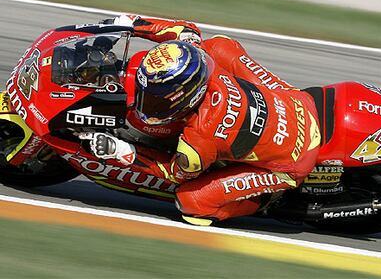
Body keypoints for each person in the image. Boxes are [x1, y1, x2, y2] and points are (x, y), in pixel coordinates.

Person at [83, 14, 321, 225]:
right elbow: (185, 31)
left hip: (293, 159)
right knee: (220, 45)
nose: (148, 104)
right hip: (297, 102)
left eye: (157, 99)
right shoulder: (201, 57)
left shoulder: (198, 140)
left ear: (186, 96)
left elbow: (174, 173)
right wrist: (132, 25)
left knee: (191, 202)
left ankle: (264, 200)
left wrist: (125, 152)